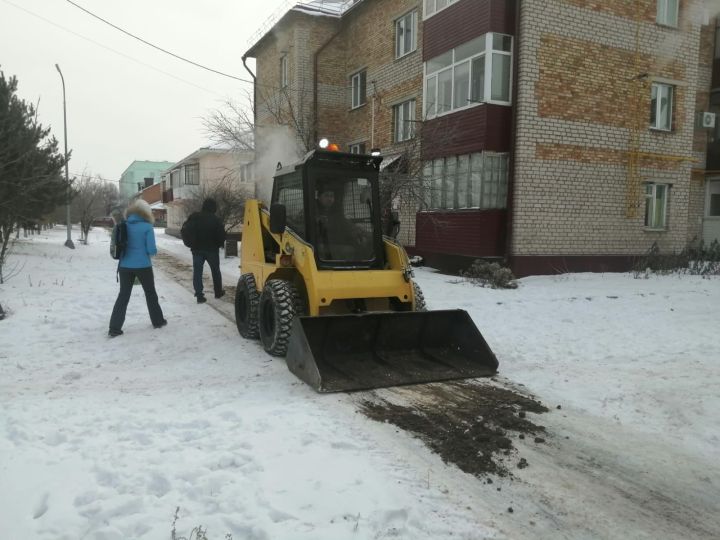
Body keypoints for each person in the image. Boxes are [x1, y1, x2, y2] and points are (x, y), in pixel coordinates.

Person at [108, 199, 166, 337]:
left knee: (123, 296)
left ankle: (114, 328)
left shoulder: (124, 225)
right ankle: (158, 321)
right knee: (150, 293)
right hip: (143, 266)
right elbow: (151, 250)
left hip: (124, 266)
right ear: (146, 213)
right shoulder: (147, 227)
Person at [183, 197, 226, 303]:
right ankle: (218, 292)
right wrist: (220, 243)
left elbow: (186, 229)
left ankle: (199, 295)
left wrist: (190, 243)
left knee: (197, 272)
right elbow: (221, 234)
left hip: (197, 249)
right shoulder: (215, 219)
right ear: (213, 207)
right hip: (212, 250)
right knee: (215, 271)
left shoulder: (194, 216)